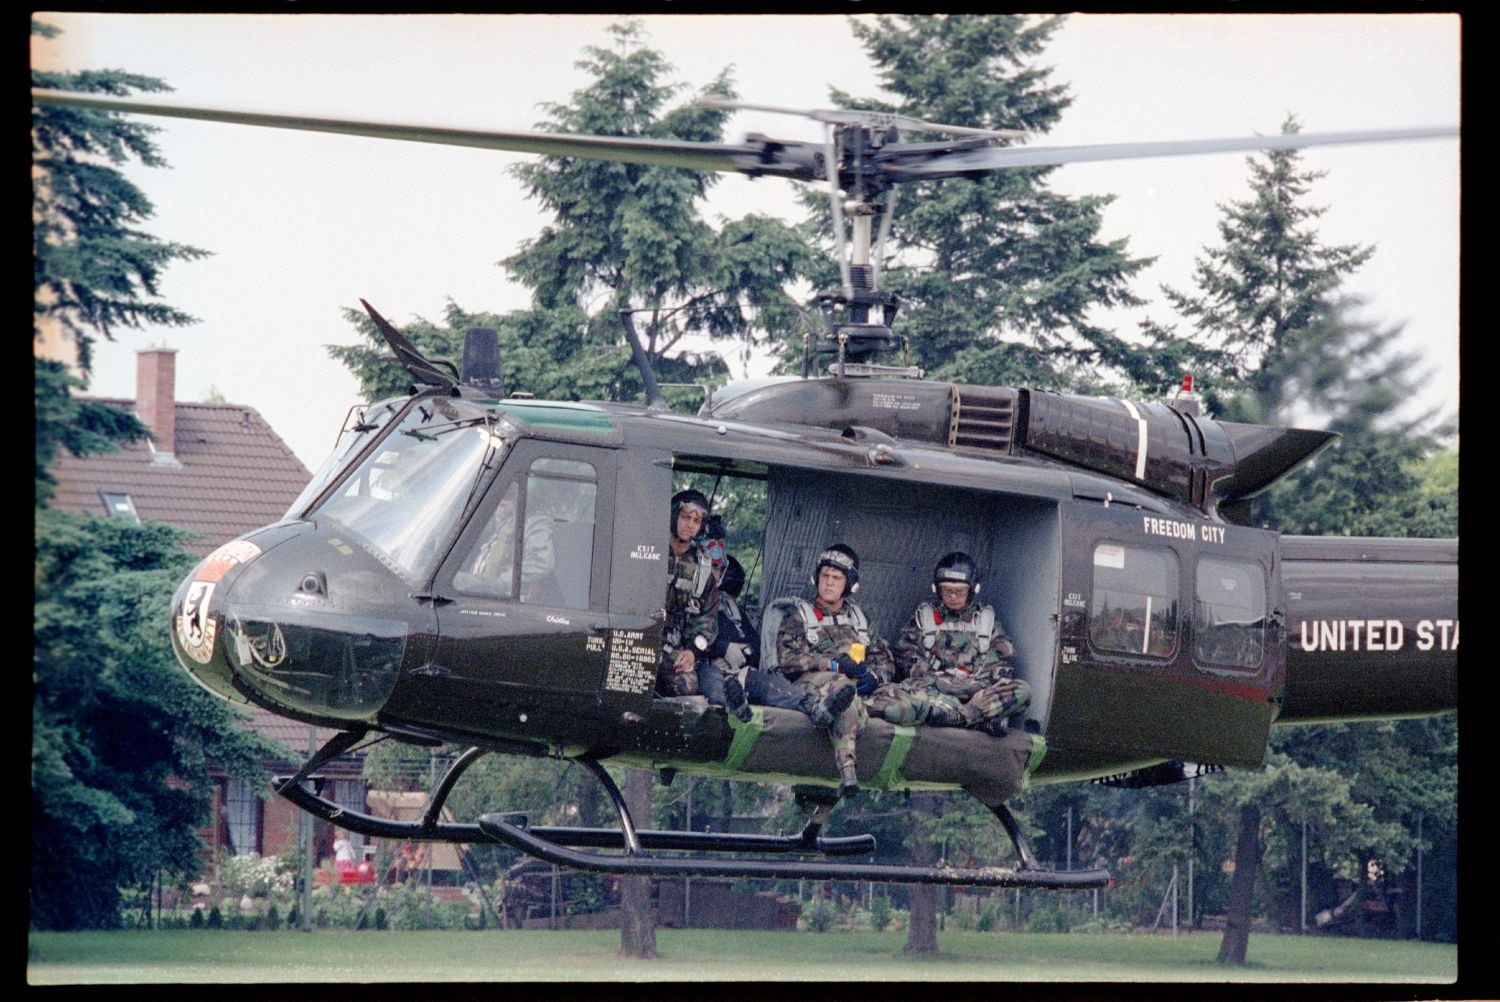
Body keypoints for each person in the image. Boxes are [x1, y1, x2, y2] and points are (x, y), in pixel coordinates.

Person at [772, 543, 877, 797]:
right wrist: (831, 665)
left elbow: (883, 658)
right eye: (824, 576)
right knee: (843, 694)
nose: (828, 583)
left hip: (851, 689)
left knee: (858, 699)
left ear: (849, 584)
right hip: (810, 684)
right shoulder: (800, 616)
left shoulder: (859, 621)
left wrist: (874, 676)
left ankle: (830, 711)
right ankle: (847, 769)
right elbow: (787, 661)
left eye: (836, 578)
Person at [891, 551, 1031, 736]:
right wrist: (934, 678)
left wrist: (978, 683)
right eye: (947, 590)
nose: (953, 596)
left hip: (976, 693)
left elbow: (1002, 662)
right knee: (907, 689)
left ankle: (961, 717)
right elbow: (905, 653)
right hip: (936, 689)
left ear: (973, 589)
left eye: (960, 591)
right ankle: (978, 722)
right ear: (937, 589)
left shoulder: (985, 620)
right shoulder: (925, 617)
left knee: (1022, 690)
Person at [658, 489, 750, 722]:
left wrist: (692, 651)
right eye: (685, 517)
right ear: (673, 516)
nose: (690, 525)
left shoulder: (702, 569)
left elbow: (707, 620)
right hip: (641, 641)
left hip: (673, 651)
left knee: (687, 684)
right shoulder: (650, 553)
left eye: (696, 521)